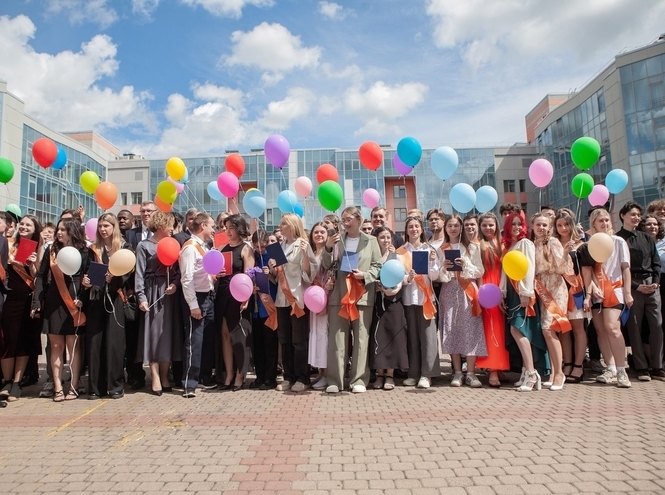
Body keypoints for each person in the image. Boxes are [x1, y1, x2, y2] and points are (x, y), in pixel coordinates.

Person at [321, 206, 382, 394]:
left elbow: (378, 265)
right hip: (339, 295)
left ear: (358, 220)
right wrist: (329, 247)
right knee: (337, 339)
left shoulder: (371, 241)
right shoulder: (337, 241)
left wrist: (365, 275)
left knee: (361, 338)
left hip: (362, 295)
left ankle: (359, 380)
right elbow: (326, 264)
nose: (345, 223)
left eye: (348, 219)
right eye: (343, 220)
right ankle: (335, 380)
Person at [32, 219, 89, 402]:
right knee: (56, 346)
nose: (59, 233)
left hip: (75, 302)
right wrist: (36, 301)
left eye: (63, 230)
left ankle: (73, 385)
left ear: (72, 231)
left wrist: (84, 296)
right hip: (54, 303)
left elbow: (90, 277)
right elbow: (41, 276)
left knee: (74, 348)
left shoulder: (84, 251)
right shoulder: (51, 251)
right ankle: (57, 386)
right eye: (58, 229)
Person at [578, 208, 632, 388]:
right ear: (593, 223)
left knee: (612, 328)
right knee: (600, 330)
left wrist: (628, 291)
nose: (604, 224)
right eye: (600, 221)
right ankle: (610, 368)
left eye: (607, 220)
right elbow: (589, 269)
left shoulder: (618, 241)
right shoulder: (589, 244)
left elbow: (625, 268)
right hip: (596, 293)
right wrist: (592, 287)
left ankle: (622, 369)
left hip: (615, 290)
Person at [83, 213, 131, 400]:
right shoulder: (93, 249)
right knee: (94, 344)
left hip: (116, 299)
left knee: (114, 344)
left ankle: (115, 385)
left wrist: (115, 278)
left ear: (114, 227)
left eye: (106, 226)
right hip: (95, 299)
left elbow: (128, 275)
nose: (103, 229)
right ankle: (95, 388)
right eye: (100, 226)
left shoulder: (125, 248)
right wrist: (86, 282)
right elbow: (87, 271)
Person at [268, 213, 317, 392]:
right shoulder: (278, 246)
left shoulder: (302, 245)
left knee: (299, 340)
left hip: (297, 298)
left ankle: (302, 378)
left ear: (293, 225)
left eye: (284, 223)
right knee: (285, 339)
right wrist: (272, 269)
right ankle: (288, 376)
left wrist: (304, 256)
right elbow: (277, 275)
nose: (280, 226)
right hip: (282, 298)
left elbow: (309, 274)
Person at [501, 213, 549, 391]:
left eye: (519, 224)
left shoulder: (525, 243)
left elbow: (529, 268)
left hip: (522, 292)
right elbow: (504, 272)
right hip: (511, 293)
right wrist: (502, 292)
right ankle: (525, 370)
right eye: (512, 224)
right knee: (518, 331)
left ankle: (531, 373)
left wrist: (526, 292)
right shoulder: (508, 245)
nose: (516, 227)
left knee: (519, 329)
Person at [616, 201, 663, 381]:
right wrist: (636, 286)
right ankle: (641, 366)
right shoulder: (618, 239)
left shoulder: (646, 238)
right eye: (632, 214)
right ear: (623, 216)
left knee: (657, 325)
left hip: (652, 285)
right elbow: (619, 268)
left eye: (638, 215)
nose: (636, 218)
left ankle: (657, 366)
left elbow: (656, 262)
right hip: (632, 286)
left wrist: (656, 283)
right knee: (634, 326)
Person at [135, 211, 181, 396]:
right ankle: (154, 376)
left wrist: (175, 285)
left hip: (169, 293)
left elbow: (178, 271)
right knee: (153, 334)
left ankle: (164, 375)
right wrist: (141, 297)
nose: (172, 229)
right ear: (161, 226)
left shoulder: (173, 244)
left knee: (167, 334)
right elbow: (139, 273)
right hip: (152, 291)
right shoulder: (143, 246)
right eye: (170, 225)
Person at [436, 214, 485, 388]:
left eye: (456, 225)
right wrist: (444, 268)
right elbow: (437, 276)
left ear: (461, 227)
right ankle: (457, 372)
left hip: (468, 291)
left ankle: (471, 373)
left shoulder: (471, 247)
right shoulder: (442, 248)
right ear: (446, 228)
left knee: (470, 329)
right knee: (452, 329)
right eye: (450, 225)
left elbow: (480, 271)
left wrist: (465, 264)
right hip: (449, 290)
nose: (453, 228)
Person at [0, 215, 42, 402]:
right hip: (9, 298)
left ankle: (17, 383)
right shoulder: (7, 243)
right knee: (8, 340)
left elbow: (39, 278)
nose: (24, 227)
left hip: (28, 298)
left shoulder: (39, 248)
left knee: (24, 340)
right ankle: (7, 381)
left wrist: (32, 265)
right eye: (22, 224)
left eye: (28, 225)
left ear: (35, 229)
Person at [531, 213, 573, 391]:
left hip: (555, 288)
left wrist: (565, 253)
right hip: (540, 288)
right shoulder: (533, 244)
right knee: (548, 331)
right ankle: (554, 371)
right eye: (538, 225)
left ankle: (559, 374)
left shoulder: (553, 242)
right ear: (533, 226)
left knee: (549, 329)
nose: (541, 228)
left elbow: (563, 268)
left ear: (549, 227)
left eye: (544, 225)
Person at [398, 216, 440, 388]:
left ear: (421, 229)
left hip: (425, 299)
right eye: (410, 227)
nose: (414, 229)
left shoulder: (429, 249)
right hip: (408, 299)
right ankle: (413, 373)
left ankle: (427, 374)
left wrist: (431, 262)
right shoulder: (400, 252)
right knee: (412, 338)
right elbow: (397, 275)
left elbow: (435, 276)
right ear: (406, 231)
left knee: (428, 337)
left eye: (416, 226)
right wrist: (407, 278)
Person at [179, 213, 216, 397]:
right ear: (202, 226)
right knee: (194, 341)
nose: (213, 230)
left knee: (207, 340)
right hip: (197, 299)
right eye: (211, 226)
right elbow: (186, 279)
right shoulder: (190, 248)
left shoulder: (204, 246)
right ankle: (189, 383)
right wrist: (193, 305)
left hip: (208, 296)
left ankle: (204, 377)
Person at [216, 214, 255, 391]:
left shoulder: (246, 249)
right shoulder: (222, 248)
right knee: (225, 334)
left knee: (239, 335)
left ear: (239, 228)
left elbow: (249, 275)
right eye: (226, 228)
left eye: (231, 227)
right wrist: (218, 273)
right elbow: (214, 272)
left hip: (238, 295)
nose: (228, 231)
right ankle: (229, 374)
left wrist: (245, 297)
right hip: (222, 293)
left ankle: (241, 374)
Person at [369, 227, 407, 390]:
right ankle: (379, 374)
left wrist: (392, 289)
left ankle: (390, 375)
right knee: (378, 337)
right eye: (382, 237)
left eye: (388, 237)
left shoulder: (396, 256)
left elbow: (402, 277)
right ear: (376, 239)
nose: (385, 240)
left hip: (394, 301)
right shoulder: (373, 256)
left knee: (393, 337)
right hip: (377, 302)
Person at [553, 212, 588, 383]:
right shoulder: (553, 244)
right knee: (563, 329)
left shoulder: (580, 245)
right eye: (559, 225)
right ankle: (567, 363)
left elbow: (586, 271)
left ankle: (578, 366)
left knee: (577, 328)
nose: (563, 229)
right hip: (559, 292)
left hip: (575, 290)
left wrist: (588, 295)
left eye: (566, 224)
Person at [476, 213, 509, 387]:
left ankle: (500, 365)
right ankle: (492, 370)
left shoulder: (503, 244)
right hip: (488, 290)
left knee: (502, 331)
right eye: (484, 225)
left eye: (491, 225)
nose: (488, 228)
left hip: (502, 289)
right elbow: (479, 272)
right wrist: (481, 293)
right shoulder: (479, 246)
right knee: (491, 329)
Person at [249, 230, 279, 390]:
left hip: (270, 306)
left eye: (263, 245)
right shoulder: (251, 255)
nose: (260, 249)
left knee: (270, 343)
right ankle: (259, 376)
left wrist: (271, 274)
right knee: (258, 344)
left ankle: (271, 377)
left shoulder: (274, 254)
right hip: (255, 306)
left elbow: (281, 280)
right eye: (257, 246)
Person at [308, 222, 333, 390]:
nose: (319, 235)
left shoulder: (330, 253)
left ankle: (327, 374)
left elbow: (331, 278)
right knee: (316, 334)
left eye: (322, 232)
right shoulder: (310, 253)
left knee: (325, 336)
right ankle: (320, 371)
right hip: (312, 301)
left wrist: (324, 302)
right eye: (316, 232)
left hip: (325, 301)